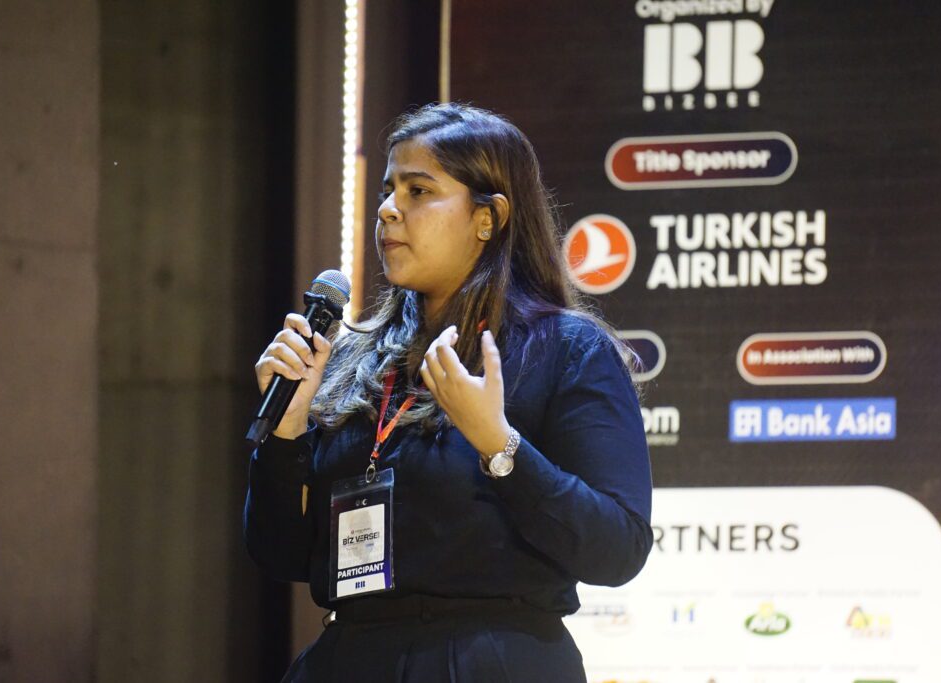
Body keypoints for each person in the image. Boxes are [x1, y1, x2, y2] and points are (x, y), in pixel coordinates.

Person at [244, 102, 652, 682]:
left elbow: (618, 549)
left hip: (491, 660)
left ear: (488, 218)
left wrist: (499, 446)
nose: (388, 209)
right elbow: (280, 554)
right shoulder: (354, 355)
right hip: (350, 657)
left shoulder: (565, 349)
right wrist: (286, 434)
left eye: (418, 191)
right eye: (388, 191)